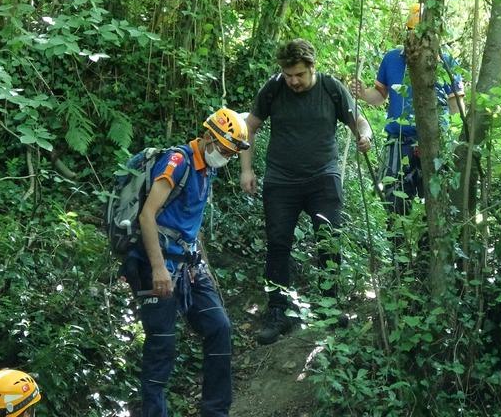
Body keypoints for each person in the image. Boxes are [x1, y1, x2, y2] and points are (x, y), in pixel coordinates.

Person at [239, 38, 372, 345]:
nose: (294, 81)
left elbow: (360, 122)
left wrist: (364, 136)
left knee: (328, 241)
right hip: (281, 180)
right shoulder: (273, 88)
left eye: (299, 74)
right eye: (289, 75)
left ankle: (329, 307)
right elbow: (249, 127)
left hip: (322, 178)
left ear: (312, 67)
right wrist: (246, 169)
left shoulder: (330, 88)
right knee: (277, 245)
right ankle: (278, 313)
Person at [123, 108, 249, 417]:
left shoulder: (208, 167)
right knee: (160, 347)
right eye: (223, 149)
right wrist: (157, 269)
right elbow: (147, 215)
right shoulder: (178, 162)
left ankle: (215, 412)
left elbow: (190, 225)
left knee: (219, 327)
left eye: (231, 153)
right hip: (157, 266)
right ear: (208, 137)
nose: (226, 156)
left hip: (189, 266)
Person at [350, 3, 465, 216]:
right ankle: (397, 246)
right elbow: (380, 96)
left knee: (434, 204)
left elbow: (457, 108)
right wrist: (363, 93)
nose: (416, 39)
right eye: (412, 32)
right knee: (394, 201)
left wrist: (440, 132)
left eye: (423, 34)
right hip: (398, 140)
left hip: (434, 142)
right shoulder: (392, 58)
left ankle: (426, 248)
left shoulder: (446, 61)